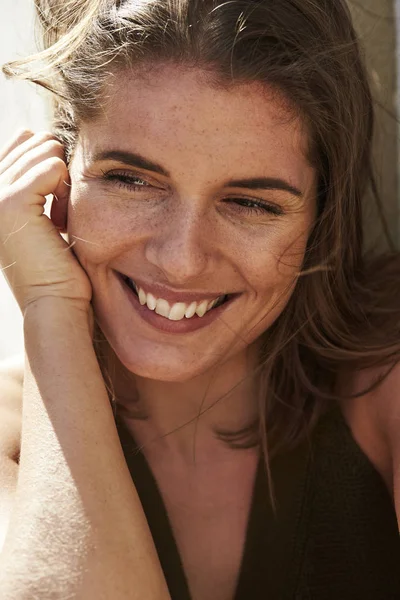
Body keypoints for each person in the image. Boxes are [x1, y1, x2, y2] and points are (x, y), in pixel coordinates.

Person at [0, 0, 399, 598]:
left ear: (320, 217)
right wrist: (49, 307)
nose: (181, 259)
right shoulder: (9, 434)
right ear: (60, 179)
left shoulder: (385, 379)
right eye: (131, 180)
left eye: (252, 203)